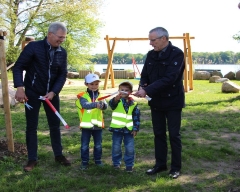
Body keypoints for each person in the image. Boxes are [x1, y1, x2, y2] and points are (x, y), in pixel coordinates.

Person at [13, 22, 70, 172]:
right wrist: (20, 87)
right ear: (50, 34)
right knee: (31, 127)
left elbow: (62, 74)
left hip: (51, 95)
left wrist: (54, 92)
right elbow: (18, 67)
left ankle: (58, 155)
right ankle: (32, 159)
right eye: (60, 37)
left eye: (64, 38)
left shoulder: (62, 52)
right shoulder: (33, 47)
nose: (61, 40)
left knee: (54, 125)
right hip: (32, 94)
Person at [134, 27, 185, 179]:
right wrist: (142, 86)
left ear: (164, 39)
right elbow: (144, 75)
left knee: (174, 135)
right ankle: (160, 164)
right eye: (150, 40)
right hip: (156, 101)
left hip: (173, 100)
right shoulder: (151, 55)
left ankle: (176, 168)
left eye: (153, 40)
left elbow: (170, 78)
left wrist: (147, 90)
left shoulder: (177, 53)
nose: (150, 43)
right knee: (158, 134)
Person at [76, 73, 108, 170]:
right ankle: (84, 162)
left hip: (98, 126)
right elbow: (85, 105)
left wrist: (102, 105)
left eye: (96, 84)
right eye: (91, 84)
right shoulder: (82, 96)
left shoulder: (101, 95)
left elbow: (105, 106)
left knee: (98, 145)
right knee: (85, 145)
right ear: (86, 84)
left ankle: (97, 160)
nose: (94, 86)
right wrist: (96, 104)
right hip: (86, 126)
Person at [108, 81, 140, 173]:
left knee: (130, 148)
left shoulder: (133, 103)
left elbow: (136, 117)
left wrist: (135, 128)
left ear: (130, 92)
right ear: (118, 91)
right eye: (122, 90)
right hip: (117, 129)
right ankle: (116, 163)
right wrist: (115, 99)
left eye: (126, 90)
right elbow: (112, 105)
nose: (124, 92)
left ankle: (129, 165)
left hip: (129, 131)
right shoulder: (116, 100)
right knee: (116, 147)